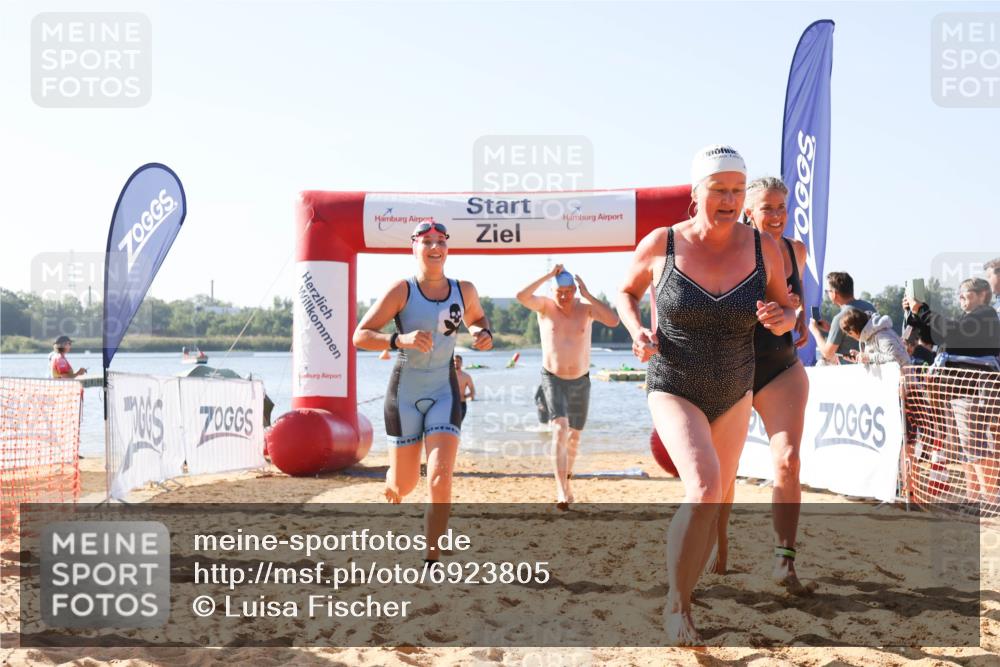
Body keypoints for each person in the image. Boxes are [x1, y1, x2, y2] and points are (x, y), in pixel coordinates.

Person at [617, 145, 796, 644]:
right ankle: (678, 607)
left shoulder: (766, 248)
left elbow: (787, 309)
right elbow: (626, 291)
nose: (730, 199)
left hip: (735, 386)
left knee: (715, 500)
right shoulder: (662, 243)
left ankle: (687, 588)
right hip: (674, 381)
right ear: (696, 193)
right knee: (703, 489)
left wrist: (784, 318)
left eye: (738, 190)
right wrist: (636, 330)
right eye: (719, 189)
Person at [352, 220, 492, 563]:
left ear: (447, 248)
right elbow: (360, 335)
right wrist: (400, 339)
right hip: (405, 394)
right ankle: (393, 478)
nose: (434, 247)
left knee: (441, 475)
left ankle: (432, 554)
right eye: (426, 241)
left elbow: (478, 319)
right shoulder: (402, 290)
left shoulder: (465, 289)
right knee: (405, 485)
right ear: (414, 248)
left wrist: (483, 334)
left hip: (445, 392)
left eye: (440, 241)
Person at [710, 176, 811, 595]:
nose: (777, 216)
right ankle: (719, 539)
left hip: (780, 368)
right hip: (732, 369)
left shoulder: (796, 251)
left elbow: (796, 304)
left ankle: (783, 560)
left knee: (787, 460)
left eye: (782, 208)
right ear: (748, 211)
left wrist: (797, 319)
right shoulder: (728, 250)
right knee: (723, 471)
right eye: (767, 208)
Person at [517, 265, 619, 509]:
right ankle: (561, 489)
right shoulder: (544, 306)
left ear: (575, 290)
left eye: (568, 291)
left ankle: (567, 479)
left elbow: (614, 321)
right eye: (559, 291)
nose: (563, 296)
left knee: (574, 435)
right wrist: (547, 276)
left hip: (581, 380)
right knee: (560, 428)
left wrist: (589, 294)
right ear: (552, 291)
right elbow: (521, 296)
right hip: (552, 377)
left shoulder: (586, 309)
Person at [904, 278, 1000, 503]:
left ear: (982, 294)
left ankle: (990, 501)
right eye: (959, 295)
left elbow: (952, 332)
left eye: (965, 294)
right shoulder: (969, 318)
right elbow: (934, 338)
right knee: (969, 448)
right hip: (961, 391)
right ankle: (975, 498)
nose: (960, 299)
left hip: (974, 391)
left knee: (977, 446)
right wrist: (914, 314)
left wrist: (924, 310)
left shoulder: (986, 316)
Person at [808, 272, 875, 365]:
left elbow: (827, 353)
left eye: (827, 291)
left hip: (853, 372)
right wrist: (830, 329)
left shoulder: (840, 318)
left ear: (834, 294)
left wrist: (815, 331)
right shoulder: (870, 307)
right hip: (874, 365)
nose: (827, 293)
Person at [839, 309, 911, 366]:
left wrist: (868, 357)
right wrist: (860, 358)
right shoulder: (870, 335)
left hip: (903, 382)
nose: (850, 336)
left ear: (854, 330)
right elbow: (879, 360)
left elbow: (895, 358)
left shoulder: (882, 335)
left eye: (850, 334)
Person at [453, 354, 475, 423]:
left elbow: (472, 391)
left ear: (461, 363)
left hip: (461, 404)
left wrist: (466, 396)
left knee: (458, 426)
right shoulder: (447, 375)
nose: (456, 363)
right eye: (454, 361)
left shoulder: (466, 376)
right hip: (449, 404)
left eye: (458, 361)